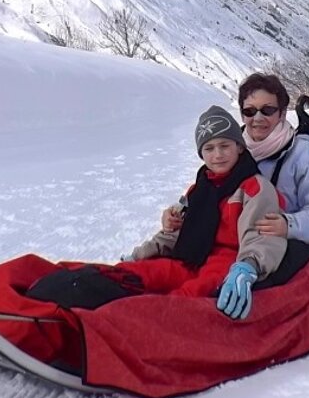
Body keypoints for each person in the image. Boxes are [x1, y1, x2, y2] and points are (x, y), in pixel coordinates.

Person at [119, 105, 287, 319]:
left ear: (239, 147)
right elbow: (175, 233)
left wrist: (247, 267)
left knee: (185, 300)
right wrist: (139, 255)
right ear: (201, 154)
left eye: (225, 146)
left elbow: (261, 235)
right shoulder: (198, 189)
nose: (218, 155)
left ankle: (143, 321)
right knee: (138, 275)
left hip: (229, 260)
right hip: (190, 256)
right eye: (209, 148)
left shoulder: (254, 188)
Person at [161, 73, 309, 247]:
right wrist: (179, 212)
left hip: (275, 248)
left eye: (267, 110)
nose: (258, 118)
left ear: (282, 113)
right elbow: (207, 189)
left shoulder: (306, 156)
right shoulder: (229, 147)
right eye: (249, 111)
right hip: (225, 245)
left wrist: (289, 224)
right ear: (242, 115)